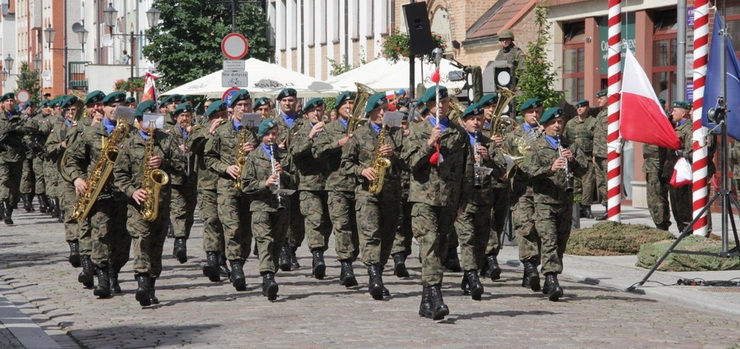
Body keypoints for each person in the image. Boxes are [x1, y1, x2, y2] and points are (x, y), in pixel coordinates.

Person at [402, 85, 466, 320]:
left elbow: (464, 171)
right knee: (428, 245)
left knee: (439, 248)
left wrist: (463, 202)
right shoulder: (417, 130)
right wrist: (429, 143)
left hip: (448, 200)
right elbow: (408, 163)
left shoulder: (458, 133)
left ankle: (425, 300)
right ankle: (437, 296)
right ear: (428, 106)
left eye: (445, 101)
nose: (441, 105)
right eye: (436, 102)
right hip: (423, 198)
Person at [113, 107, 182, 307]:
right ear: (139, 121)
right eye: (148, 120)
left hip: (161, 202)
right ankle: (141, 283)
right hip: (137, 203)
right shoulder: (129, 143)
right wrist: (132, 191)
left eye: (155, 120)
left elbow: (181, 165)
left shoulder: (166, 140)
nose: (152, 125)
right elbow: (119, 175)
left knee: (156, 244)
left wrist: (164, 162)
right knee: (141, 240)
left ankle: (151, 285)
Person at [67, 91, 133, 298]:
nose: (116, 109)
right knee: (101, 235)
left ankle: (115, 274)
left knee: (123, 239)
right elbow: (71, 160)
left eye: (121, 106)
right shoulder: (90, 133)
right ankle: (103, 279)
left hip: (125, 194)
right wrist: (77, 179)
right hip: (99, 194)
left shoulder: (132, 133)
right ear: (103, 108)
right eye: (112, 106)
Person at [341, 93, 405, 299]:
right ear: (370, 113)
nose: (382, 113)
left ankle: (379, 270)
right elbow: (345, 164)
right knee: (370, 234)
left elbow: (408, 161)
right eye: (378, 111)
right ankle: (374, 276)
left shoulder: (397, 134)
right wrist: (362, 170)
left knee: (387, 236)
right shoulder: (359, 135)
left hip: (391, 192)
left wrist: (393, 155)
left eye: (385, 110)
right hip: (366, 192)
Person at [521, 107, 585, 301]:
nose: (558, 126)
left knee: (560, 242)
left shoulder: (569, 144)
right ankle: (551, 278)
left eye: (560, 122)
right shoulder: (536, 146)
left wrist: (572, 161)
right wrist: (550, 168)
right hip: (544, 202)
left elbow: (584, 169)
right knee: (549, 240)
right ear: (545, 125)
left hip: (564, 201)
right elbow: (528, 169)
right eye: (553, 123)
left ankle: (551, 275)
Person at [204, 89, 256, 291]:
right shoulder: (222, 130)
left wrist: (258, 149)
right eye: (240, 106)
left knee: (246, 231)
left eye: (247, 105)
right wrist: (226, 168)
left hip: (250, 187)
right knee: (231, 227)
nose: (244, 109)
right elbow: (209, 158)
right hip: (227, 186)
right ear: (232, 109)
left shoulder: (256, 128)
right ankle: (235, 268)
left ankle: (239, 262)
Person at [454, 104, 506, 300]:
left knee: (480, 241)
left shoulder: (489, 143)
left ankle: (469, 276)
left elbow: (502, 171)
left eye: (480, 120)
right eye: (472, 119)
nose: (476, 123)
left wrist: (488, 158)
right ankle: (473, 276)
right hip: (463, 200)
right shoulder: (457, 142)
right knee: (467, 239)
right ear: (464, 121)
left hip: (484, 199)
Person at [241, 118, 295, 300]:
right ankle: (268, 276)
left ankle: (270, 275)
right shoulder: (253, 157)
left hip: (282, 205)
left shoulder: (284, 156)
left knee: (278, 243)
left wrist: (283, 174)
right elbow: (246, 185)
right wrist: (265, 183)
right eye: (267, 134)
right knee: (265, 241)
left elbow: (296, 181)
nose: (271, 138)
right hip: (260, 206)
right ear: (261, 136)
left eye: (274, 134)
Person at [313, 91, 359, 287]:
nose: (349, 106)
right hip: (337, 185)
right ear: (338, 108)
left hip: (359, 186)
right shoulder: (329, 129)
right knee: (342, 226)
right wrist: (337, 144)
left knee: (357, 229)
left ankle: (351, 257)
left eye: (352, 103)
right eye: (346, 104)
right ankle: (346, 265)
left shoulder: (362, 128)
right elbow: (317, 151)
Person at [290, 98, 332, 280]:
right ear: (306, 114)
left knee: (328, 223)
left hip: (329, 183)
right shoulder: (300, 131)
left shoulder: (329, 130)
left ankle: (317, 252)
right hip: (307, 184)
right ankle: (317, 255)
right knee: (314, 219)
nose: (317, 114)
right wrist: (310, 136)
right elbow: (295, 151)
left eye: (320, 110)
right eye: (313, 111)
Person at [188, 101, 230, 282]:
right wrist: (209, 132)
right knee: (211, 220)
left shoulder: (232, 131)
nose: (221, 119)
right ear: (210, 117)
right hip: (207, 185)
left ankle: (223, 259)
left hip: (227, 183)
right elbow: (192, 146)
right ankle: (212, 259)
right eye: (217, 116)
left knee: (227, 223)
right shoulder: (201, 130)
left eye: (223, 116)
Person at [505, 98, 543, 292]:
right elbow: (505, 159)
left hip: (543, 189)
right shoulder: (513, 135)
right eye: (531, 112)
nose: (534, 115)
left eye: (537, 111)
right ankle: (529, 265)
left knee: (541, 230)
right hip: (522, 189)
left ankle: (530, 272)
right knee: (525, 227)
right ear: (524, 114)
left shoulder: (547, 134)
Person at [273, 88, 305, 270]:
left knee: (298, 220)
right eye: (284, 100)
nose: (288, 103)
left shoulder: (304, 123)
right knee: (282, 215)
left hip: (302, 178)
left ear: (296, 102)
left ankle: (292, 248)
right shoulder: (272, 124)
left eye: (291, 100)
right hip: (281, 177)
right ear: (280, 103)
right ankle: (284, 250)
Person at [166, 103, 198, 264]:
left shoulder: (196, 132)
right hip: (176, 179)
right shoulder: (170, 134)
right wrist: (178, 150)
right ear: (176, 118)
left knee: (190, 214)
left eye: (187, 116)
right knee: (178, 211)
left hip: (192, 179)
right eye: (182, 116)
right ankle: (180, 242)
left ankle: (181, 240)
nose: (185, 119)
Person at [563, 99, 596, 219]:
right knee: (576, 184)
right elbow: (565, 139)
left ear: (587, 108)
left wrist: (595, 155)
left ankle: (586, 207)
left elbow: (597, 140)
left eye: (582, 107)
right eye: (577, 107)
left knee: (588, 184)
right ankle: (577, 208)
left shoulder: (593, 122)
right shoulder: (570, 123)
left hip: (587, 158)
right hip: (574, 159)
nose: (579, 109)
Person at [664, 101, 694, 232]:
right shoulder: (675, 128)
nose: (672, 113)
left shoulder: (689, 128)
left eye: (675, 110)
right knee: (675, 205)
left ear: (683, 113)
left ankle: (687, 230)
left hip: (682, 173)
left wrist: (682, 153)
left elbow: (691, 150)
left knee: (684, 205)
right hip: (672, 172)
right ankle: (682, 229)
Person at [591, 90, 609, 220]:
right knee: (601, 183)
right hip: (598, 153)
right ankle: (607, 206)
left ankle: (611, 208)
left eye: (601, 98)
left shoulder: (614, 113)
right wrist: (594, 153)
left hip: (608, 154)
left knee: (609, 182)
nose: (599, 100)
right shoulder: (601, 114)